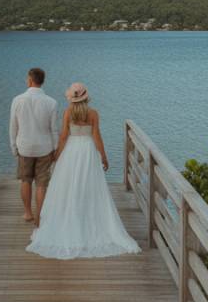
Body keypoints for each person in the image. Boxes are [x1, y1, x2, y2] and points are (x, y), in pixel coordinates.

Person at [26, 82, 141, 259]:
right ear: (86, 97)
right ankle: (87, 217)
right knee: (89, 186)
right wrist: (103, 156)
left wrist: (57, 155)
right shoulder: (93, 114)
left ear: (72, 99)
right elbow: (96, 136)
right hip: (87, 151)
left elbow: (64, 136)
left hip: (71, 152)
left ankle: (70, 218)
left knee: (69, 186)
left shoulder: (68, 113)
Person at [9, 67, 59, 225]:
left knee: (25, 180)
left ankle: (28, 213)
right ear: (42, 81)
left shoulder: (17, 100)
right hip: (45, 148)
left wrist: (13, 147)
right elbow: (54, 129)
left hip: (24, 147)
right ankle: (39, 216)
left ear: (30, 80)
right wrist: (56, 149)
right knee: (42, 184)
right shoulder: (51, 102)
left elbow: (13, 126)